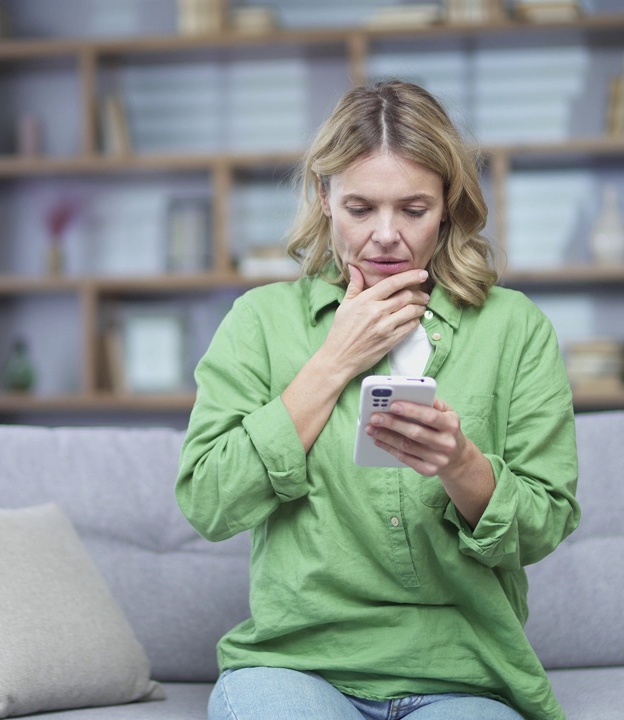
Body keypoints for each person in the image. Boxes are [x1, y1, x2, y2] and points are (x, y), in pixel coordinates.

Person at [176, 80, 580, 720]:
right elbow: (208, 502)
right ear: (324, 196)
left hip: (463, 673)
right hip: (297, 667)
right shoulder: (258, 322)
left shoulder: (514, 328)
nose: (385, 236)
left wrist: (462, 465)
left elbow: (545, 522)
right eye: (360, 208)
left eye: (413, 210)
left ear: (447, 205)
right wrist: (335, 361)